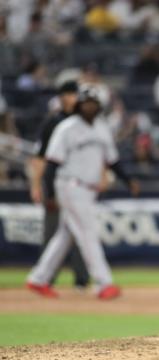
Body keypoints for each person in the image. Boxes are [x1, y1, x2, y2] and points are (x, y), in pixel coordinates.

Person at [26, 85, 140, 300]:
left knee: (65, 235)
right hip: (70, 185)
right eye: (86, 103)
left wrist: (128, 180)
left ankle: (38, 278)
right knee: (87, 232)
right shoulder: (67, 128)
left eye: (93, 104)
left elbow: (112, 161)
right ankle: (103, 283)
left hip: (88, 189)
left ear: (99, 107)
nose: (89, 107)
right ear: (79, 105)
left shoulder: (101, 128)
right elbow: (51, 163)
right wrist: (49, 193)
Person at [28, 81, 90, 290]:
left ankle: (81, 280)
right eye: (67, 94)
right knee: (52, 231)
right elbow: (39, 158)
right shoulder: (52, 122)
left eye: (73, 94)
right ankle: (47, 278)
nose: (70, 98)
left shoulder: (86, 122)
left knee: (81, 233)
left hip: (80, 184)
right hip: (54, 183)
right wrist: (36, 185)